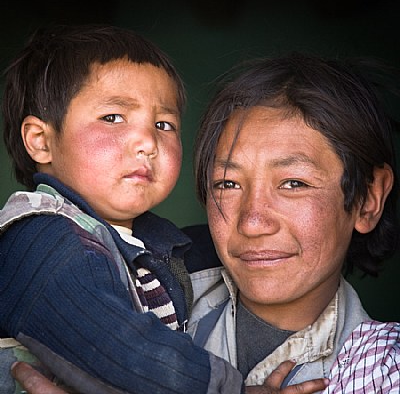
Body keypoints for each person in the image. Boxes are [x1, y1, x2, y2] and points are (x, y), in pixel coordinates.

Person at [0, 25, 327, 394]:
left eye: (163, 124)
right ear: (41, 141)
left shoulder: (149, 244)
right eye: (113, 117)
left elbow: (220, 248)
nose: (148, 142)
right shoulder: (41, 240)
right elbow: (119, 350)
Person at [185, 53, 400, 392]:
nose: (253, 223)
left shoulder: (384, 371)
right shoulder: (146, 303)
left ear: (367, 199)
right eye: (228, 183)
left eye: (293, 183)